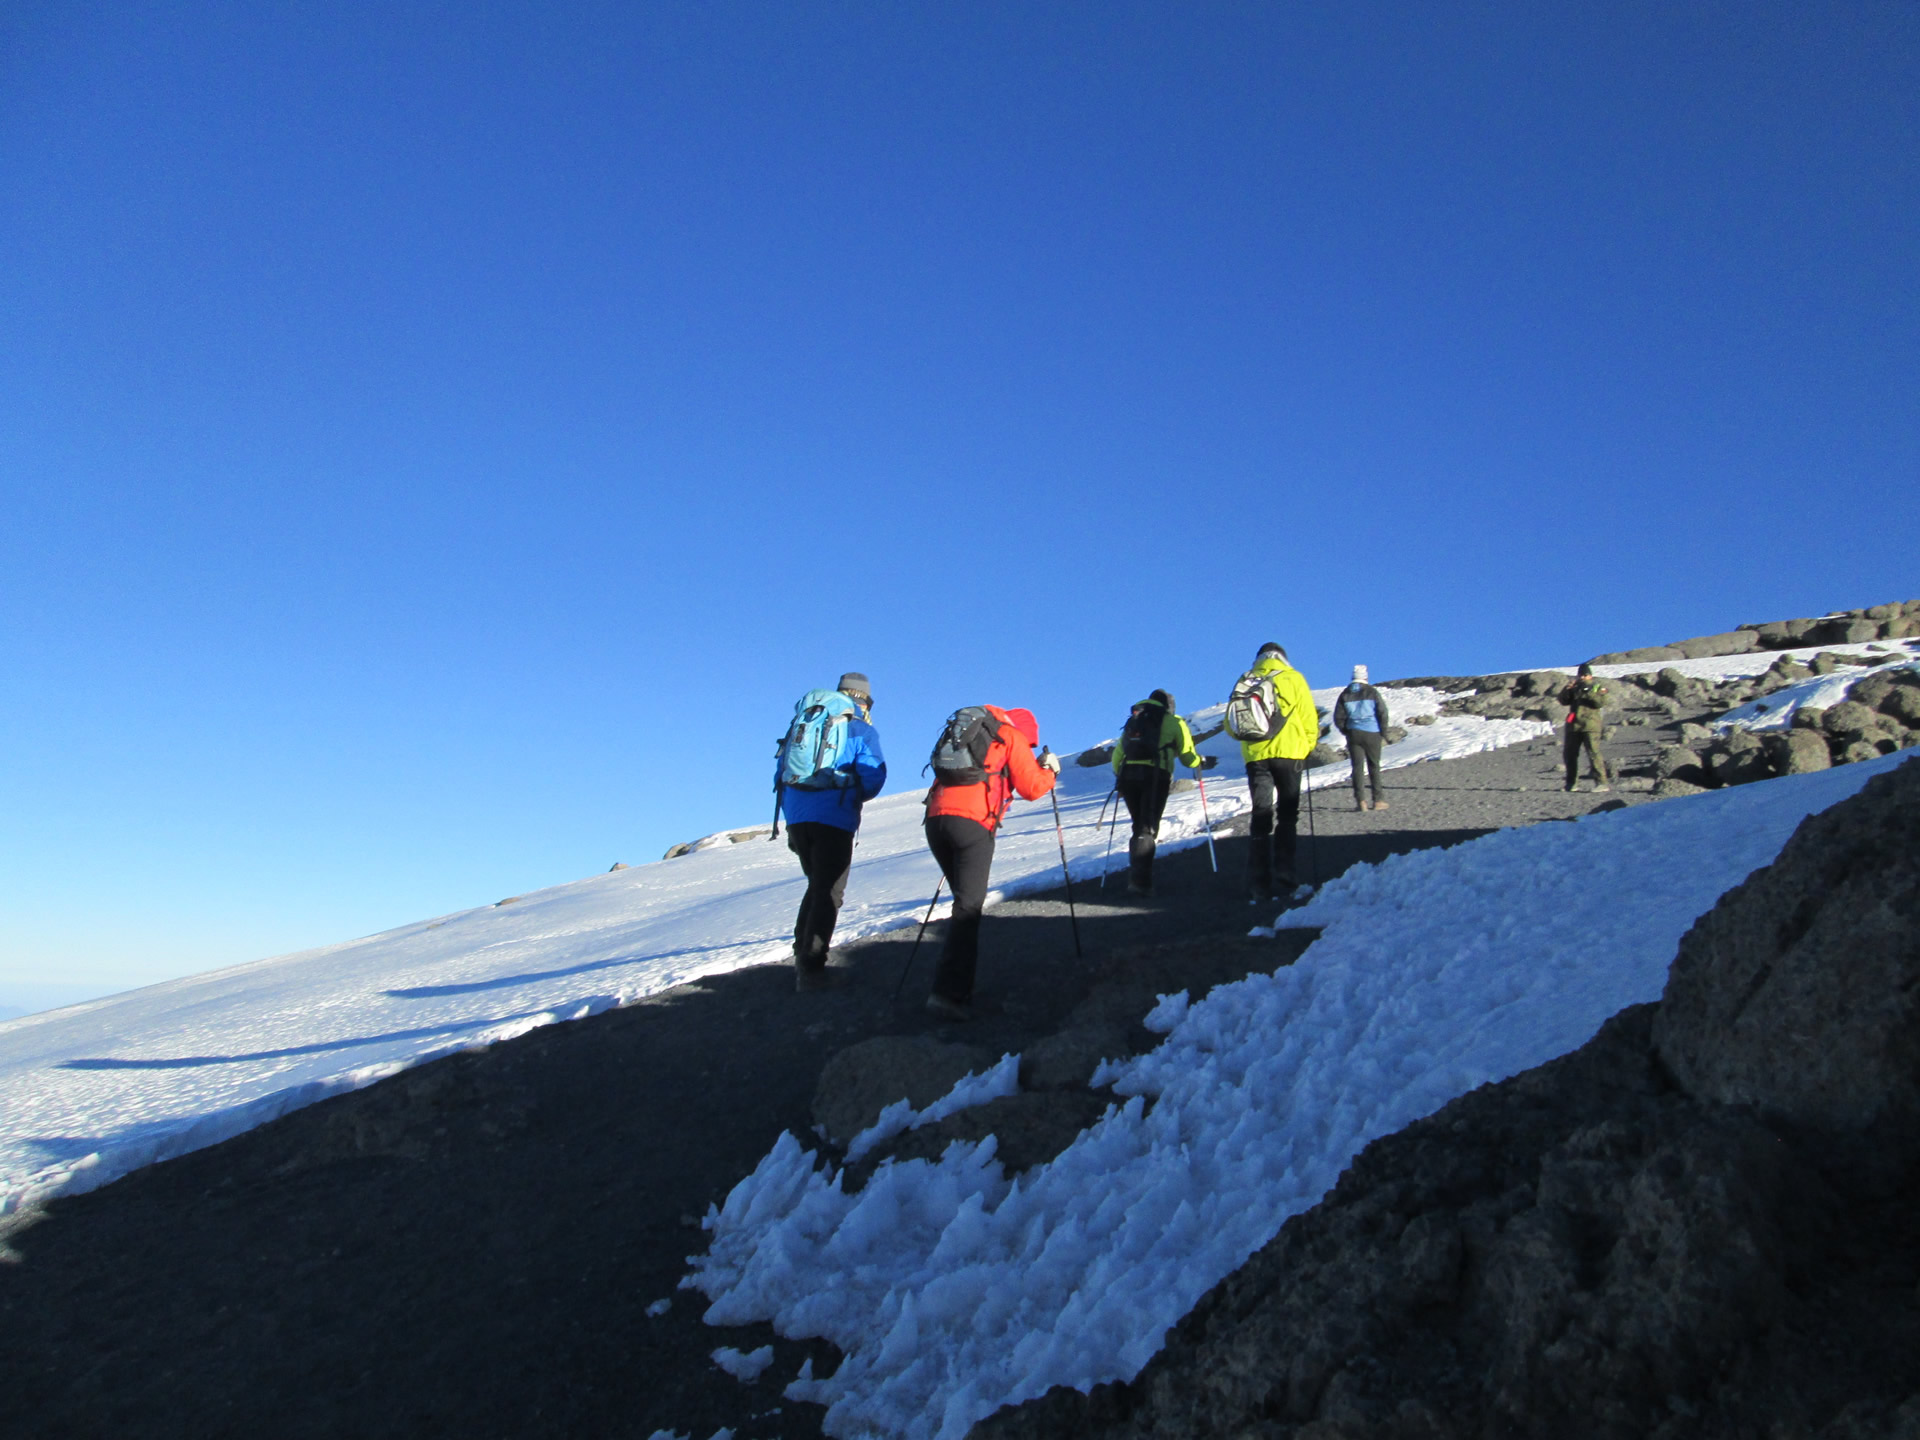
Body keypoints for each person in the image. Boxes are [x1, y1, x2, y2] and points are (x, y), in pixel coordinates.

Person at [923, 705, 1060, 1020]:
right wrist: (1050, 771)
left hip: (935, 820)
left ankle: (953, 984)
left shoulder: (971, 732)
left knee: (964, 903)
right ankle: (948, 995)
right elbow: (1032, 787)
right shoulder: (1011, 736)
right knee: (968, 909)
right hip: (973, 824)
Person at [777, 672, 886, 991]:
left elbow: (780, 773)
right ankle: (811, 967)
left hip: (797, 817)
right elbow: (873, 778)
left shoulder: (803, 722)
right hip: (834, 817)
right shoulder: (859, 728)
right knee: (829, 891)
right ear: (865, 700)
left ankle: (803, 953)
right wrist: (850, 795)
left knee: (817, 884)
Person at [1234, 642, 1318, 903]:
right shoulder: (1294, 678)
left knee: (1260, 816)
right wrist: (1307, 747)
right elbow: (1308, 718)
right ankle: (1285, 872)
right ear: (1283, 657)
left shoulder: (1246, 679)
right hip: (1290, 754)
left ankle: (1259, 884)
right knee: (1287, 815)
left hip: (1257, 758)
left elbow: (1231, 723)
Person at [1110, 689, 1202, 895]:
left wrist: (1121, 776)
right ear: (1169, 707)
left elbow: (1118, 754)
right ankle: (1140, 882)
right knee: (1147, 826)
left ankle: (1137, 876)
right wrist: (1198, 762)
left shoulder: (1135, 719)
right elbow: (1188, 756)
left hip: (1129, 775)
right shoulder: (1173, 722)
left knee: (1138, 825)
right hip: (1156, 776)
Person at [1332, 665, 1391, 812]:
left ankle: (1361, 801)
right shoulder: (1372, 692)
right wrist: (1383, 732)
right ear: (1365, 677)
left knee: (1357, 767)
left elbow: (1338, 717)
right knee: (1374, 766)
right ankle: (1378, 800)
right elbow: (1382, 712)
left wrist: (1347, 730)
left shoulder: (1345, 694)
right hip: (1372, 732)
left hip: (1353, 733)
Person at [1558, 663, 1611, 793]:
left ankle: (1602, 783)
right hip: (1574, 726)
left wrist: (1588, 692)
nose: (1583, 677)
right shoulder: (1575, 687)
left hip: (1590, 725)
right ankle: (1571, 784)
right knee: (1570, 754)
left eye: (1585, 675)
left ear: (1590, 675)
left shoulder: (1597, 687)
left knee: (1593, 753)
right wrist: (1567, 689)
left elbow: (1600, 702)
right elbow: (1563, 701)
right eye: (1581, 675)